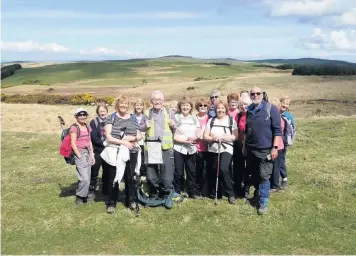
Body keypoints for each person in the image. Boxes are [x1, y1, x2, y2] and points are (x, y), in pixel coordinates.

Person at [243, 87, 282, 215]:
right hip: (251, 149)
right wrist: (244, 145)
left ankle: (263, 202)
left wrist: (275, 147)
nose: (255, 95)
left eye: (258, 93)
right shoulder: (249, 110)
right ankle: (257, 195)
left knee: (264, 176)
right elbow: (247, 130)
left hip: (265, 150)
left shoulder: (271, 109)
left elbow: (277, 131)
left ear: (262, 94)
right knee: (255, 175)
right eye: (252, 94)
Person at [104, 95, 142, 214]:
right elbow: (109, 137)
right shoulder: (112, 117)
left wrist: (133, 138)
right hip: (115, 150)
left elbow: (139, 135)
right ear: (117, 105)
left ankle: (130, 200)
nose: (123, 106)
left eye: (125, 104)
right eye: (121, 104)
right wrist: (124, 142)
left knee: (130, 177)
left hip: (132, 151)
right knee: (114, 177)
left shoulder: (133, 118)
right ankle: (111, 202)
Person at [143, 91, 176, 199]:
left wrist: (173, 125)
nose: (157, 101)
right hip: (152, 147)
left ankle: (165, 193)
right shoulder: (147, 113)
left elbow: (176, 128)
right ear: (151, 101)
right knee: (151, 175)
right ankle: (153, 193)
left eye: (159, 100)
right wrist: (144, 126)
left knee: (167, 175)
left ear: (163, 101)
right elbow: (140, 129)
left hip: (166, 146)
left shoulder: (169, 112)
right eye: (155, 99)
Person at [204, 100, 238, 204]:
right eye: (218, 108)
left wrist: (223, 137)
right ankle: (216, 193)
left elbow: (235, 136)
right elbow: (205, 136)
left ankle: (230, 194)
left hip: (226, 148)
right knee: (214, 170)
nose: (220, 110)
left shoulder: (231, 121)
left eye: (223, 108)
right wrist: (213, 138)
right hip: (213, 148)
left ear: (226, 109)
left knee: (223, 169)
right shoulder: (211, 120)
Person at [173, 97, 201, 199]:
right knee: (178, 172)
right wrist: (185, 140)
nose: (185, 107)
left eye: (187, 105)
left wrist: (195, 137)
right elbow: (174, 136)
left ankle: (192, 191)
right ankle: (177, 190)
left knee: (191, 171)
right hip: (178, 148)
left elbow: (198, 131)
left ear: (191, 107)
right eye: (183, 105)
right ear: (180, 107)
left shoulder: (194, 118)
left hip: (191, 149)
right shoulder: (176, 117)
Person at [70, 108, 95, 205]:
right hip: (80, 153)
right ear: (76, 117)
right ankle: (80, 197)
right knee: (83, 177)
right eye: (80, 115)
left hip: (88, 152)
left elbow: (89, 141)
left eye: (84, 115)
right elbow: (73, 144)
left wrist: (92, 153)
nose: (82, 117)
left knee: (87, 176)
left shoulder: (87, 126)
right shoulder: (74, 128)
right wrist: (79, 156)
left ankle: (84, 195)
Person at [89, 103, 109, 199]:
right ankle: (91, 190)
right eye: (100, 111)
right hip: (98, 151)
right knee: (94, 171)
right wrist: (105, 143)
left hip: (109, 151)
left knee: (107, 171)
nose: (102, 113)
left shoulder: (110, 121)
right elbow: (94, 137)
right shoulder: (93, 122)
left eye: (104, 111)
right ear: (98, 112)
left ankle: (105, 189)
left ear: (107, 111)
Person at [233, 97, 252, 198]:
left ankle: (246, 189)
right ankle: (237, 188)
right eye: (242, 105)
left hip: (249, 145)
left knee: (249, 168)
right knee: (238, 167)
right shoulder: (238, 115)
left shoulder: (253, 115)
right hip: (239, 144)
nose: (244, 107)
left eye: (246, 105)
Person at [195, 98, 210, 197]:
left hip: (208, 147)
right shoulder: (193, 118)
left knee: (207, 169)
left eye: (205, 105)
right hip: (196, 147)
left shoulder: (210, 118)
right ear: (197, 107)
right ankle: (197, 188)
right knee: (198, 169)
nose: (203, 107)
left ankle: (206, 189)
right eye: (201, 105)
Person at [279, 96, 295, 189]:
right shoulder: (275, 113)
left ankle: (284, 178)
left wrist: (289, 140)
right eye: (284, 103)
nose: (285, 105)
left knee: (281, 159)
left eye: (288, 104)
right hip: (274, 141)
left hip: (284, 141)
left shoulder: (288, 116)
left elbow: (292, 130)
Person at [269, 98, 285, 192]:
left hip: (277, 146)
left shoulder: (278, 119)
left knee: (276, 166)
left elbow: (277, 132)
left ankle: (275, 185)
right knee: (272, 165)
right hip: (275, 145)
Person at [131, 98, 148, 176]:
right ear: (134, 106)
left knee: (142, 157)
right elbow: (132, 127)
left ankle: (142, 174)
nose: (139, 107)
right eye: (137, 105)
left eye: (140, 105)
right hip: (133, 139)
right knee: (134, 157)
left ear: (143, 107)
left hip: (143, 141)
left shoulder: (145, 117)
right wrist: (143, 127)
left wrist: (141, 128)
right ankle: (133, 174)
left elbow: (147, 127)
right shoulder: (131, 116)